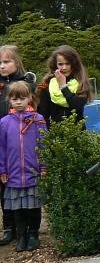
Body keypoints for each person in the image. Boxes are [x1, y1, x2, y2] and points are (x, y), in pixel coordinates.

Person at [0, 81, 47, 251]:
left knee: (33, 206)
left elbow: (43, 144)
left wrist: (44, 166)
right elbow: (1, 148)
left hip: (32, 172)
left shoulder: (38, 120)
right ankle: (21, 236)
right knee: (18, 209)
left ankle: (33, 234)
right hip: (13, 174)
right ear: (9, 100)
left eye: (22, 98)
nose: (18, 102)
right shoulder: (4, 123)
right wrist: (2, 169)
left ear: (29, 98)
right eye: (14, 99)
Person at [0, 46, 37, 246]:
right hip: (3, 138)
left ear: (16, 62)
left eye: (6, 62)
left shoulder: (24, 83)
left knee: (19, 188)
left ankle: (26, 231)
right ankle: (9, 228)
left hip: (19, 138)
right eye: (0, 63)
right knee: (4, 188)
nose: (2, 66)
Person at [37, 45, 91, 127]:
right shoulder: (47, 83)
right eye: (60, 64)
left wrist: (63, 86)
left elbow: (77, 106)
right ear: (55, 65)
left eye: (67, 64)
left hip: (77, 132)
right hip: (54, 133)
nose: (64, 67)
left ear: (74, 64)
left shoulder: (81, 82)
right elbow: (43, 113)